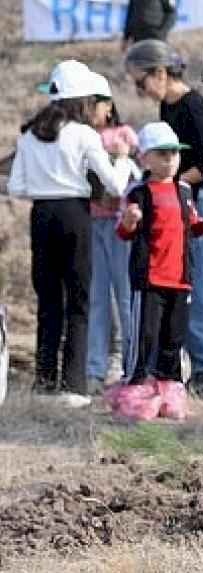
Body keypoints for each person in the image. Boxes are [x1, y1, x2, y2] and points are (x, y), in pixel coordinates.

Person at [9, 61, 132, 406]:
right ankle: (73, 386)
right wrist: (121, 157)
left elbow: (17, 186)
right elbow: (115, 184)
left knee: (48, 300)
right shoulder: (84, 134)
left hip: (41, 214)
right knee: (78, 299)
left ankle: (44, 381)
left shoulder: (29, 133)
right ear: (82, 100)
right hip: (75, 214)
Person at [125, 39, 203, 399]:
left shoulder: (194, 107)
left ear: (159, 72)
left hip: (199, 201)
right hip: (175, 202)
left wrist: (169, 188)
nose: (139, 89)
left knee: (197, 286)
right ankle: (168, 368)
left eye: (140, 81)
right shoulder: (168, 108)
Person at [116, 122, 203, 386]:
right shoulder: (139, 193)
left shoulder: (185, 191)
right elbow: (124, 233)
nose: (170, 159)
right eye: (162, 153)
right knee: (146, 335)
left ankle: (170, 386)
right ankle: (137, 383)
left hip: (180, 280)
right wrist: (131, 221)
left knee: (174, 337)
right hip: (150, 279)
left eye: (174, 153)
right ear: (145, 158)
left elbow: (193, 228)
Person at [86, 104, 141, 394]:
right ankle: (94, 367)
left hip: (121, 225)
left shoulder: (124, 134)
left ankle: (130, 365)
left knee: (125, 295)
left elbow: (136, 173)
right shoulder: (82, 135)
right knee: (97, 296)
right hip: (92, 221)